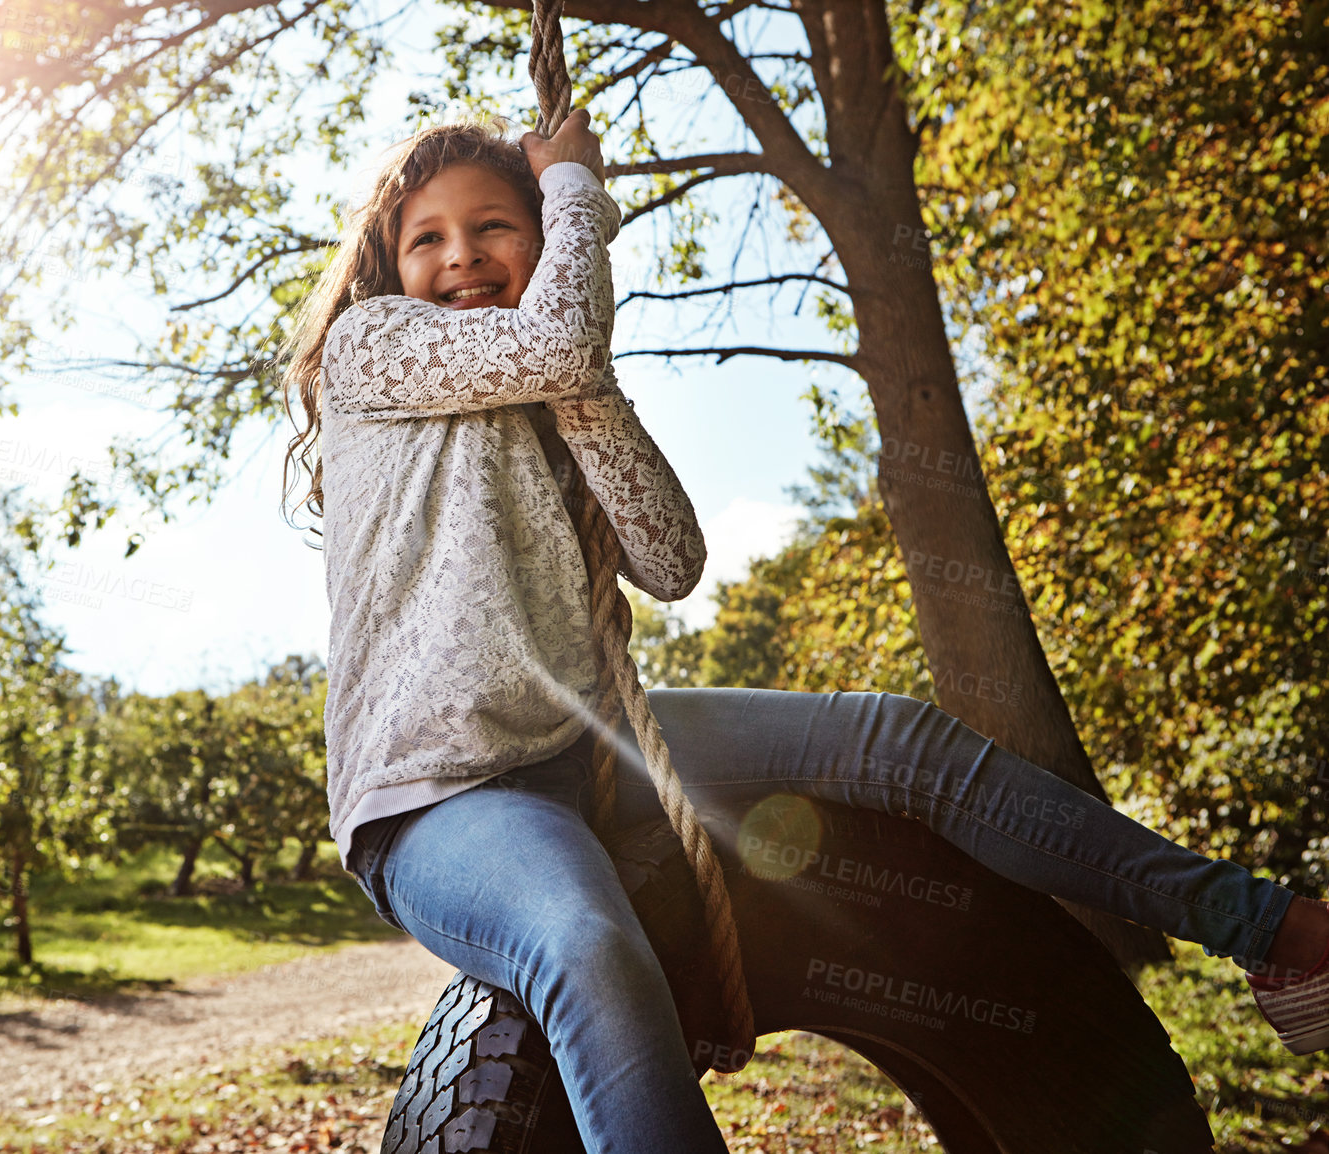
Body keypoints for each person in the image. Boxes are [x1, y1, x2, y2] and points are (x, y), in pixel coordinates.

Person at [274, 110, 1329, 1153]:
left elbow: (668, 558)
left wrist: (581, 381)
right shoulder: (378, 347)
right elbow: (554, 335)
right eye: (428, 237)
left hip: (582, 737)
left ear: (539, 246)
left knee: (895, 739)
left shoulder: (554, 377)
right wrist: (577, 195)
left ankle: (1275, 932)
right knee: (590, 942)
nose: (462, 255)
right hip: (441, 792)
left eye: (495, 226)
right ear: (389, 264)